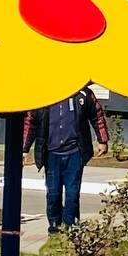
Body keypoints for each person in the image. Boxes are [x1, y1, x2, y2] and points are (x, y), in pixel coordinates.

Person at [22, 86, 108, 232]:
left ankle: (70, 227)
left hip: (75, 153)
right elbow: (30, 122)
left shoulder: (83, 94)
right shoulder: (42, 94)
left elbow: (97, 115)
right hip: (51, 154)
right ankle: (54, 227)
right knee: (53, 194)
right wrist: (24, 149)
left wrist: (102, 140)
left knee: (72, 194)